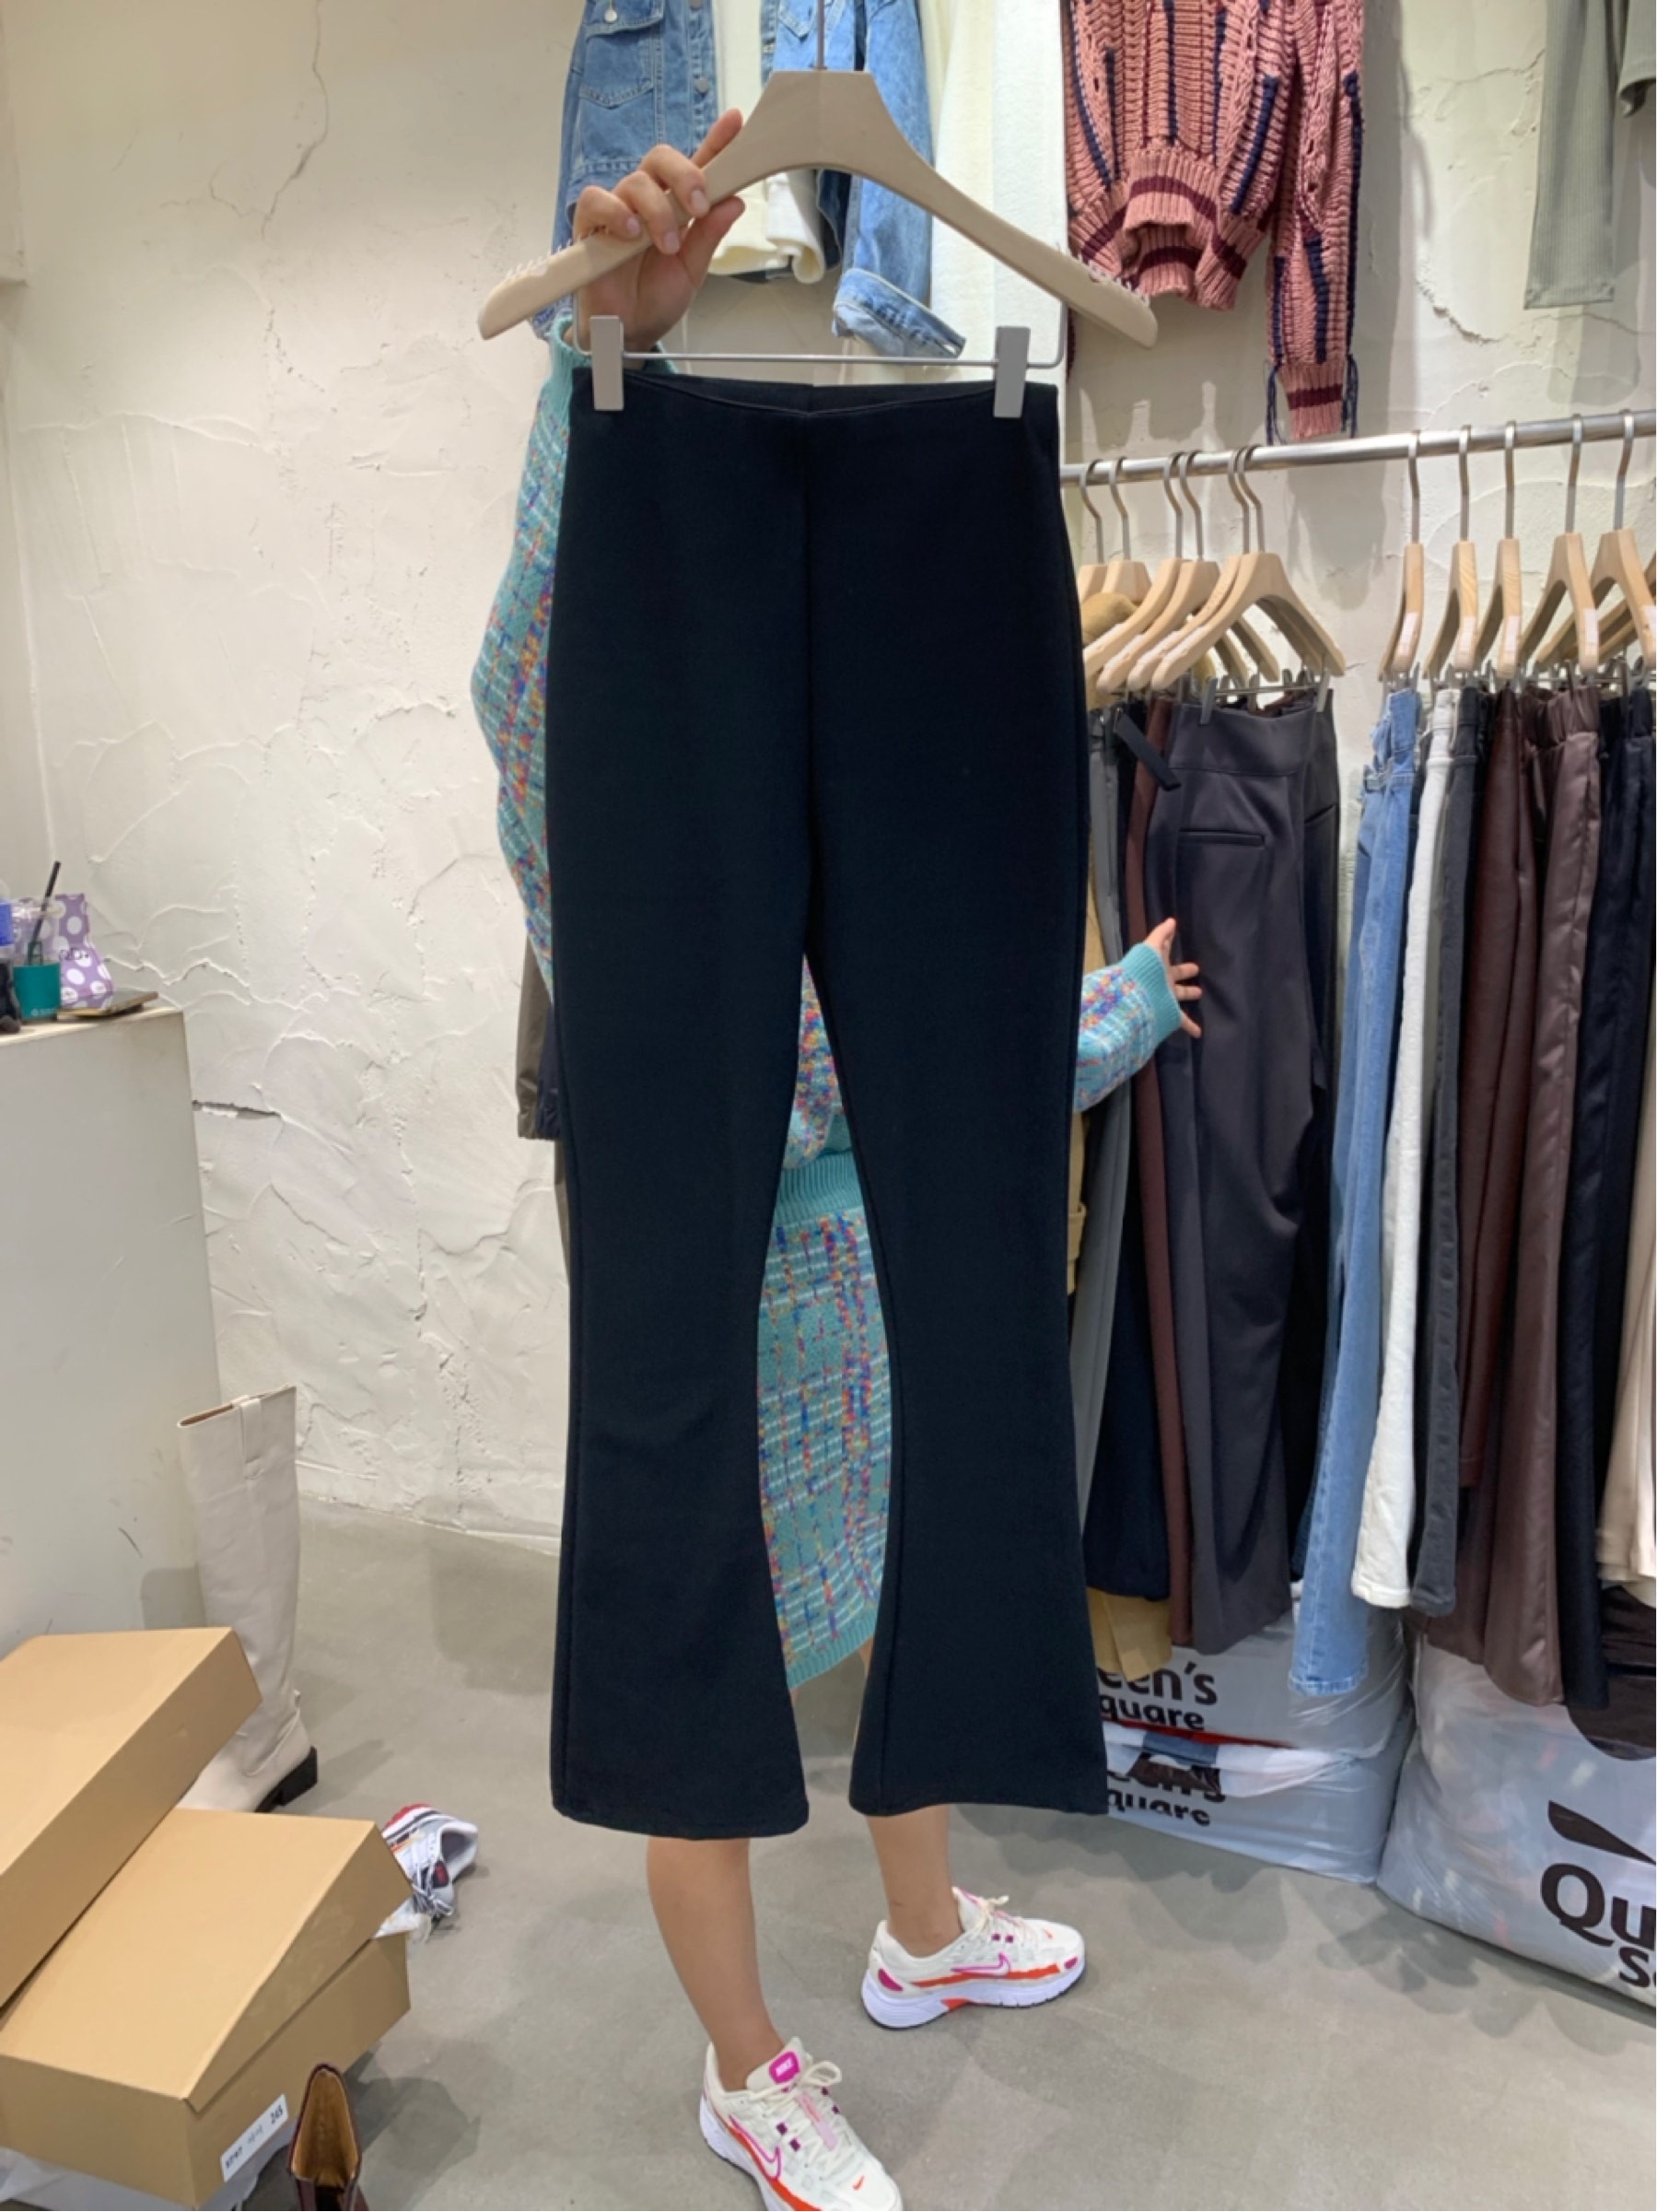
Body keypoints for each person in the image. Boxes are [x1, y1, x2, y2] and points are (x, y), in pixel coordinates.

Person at [474, 111, 1201, 2212]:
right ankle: (744, 2066)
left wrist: (1103, 1014)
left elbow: (967, 1033)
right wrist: (599, 377)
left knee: (923, 1509)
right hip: (756, 1276)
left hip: (871, 1277)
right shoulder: (596, 632)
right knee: (689, 1506)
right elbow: (527, 701)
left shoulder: (974, 481)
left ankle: (921, 1929)